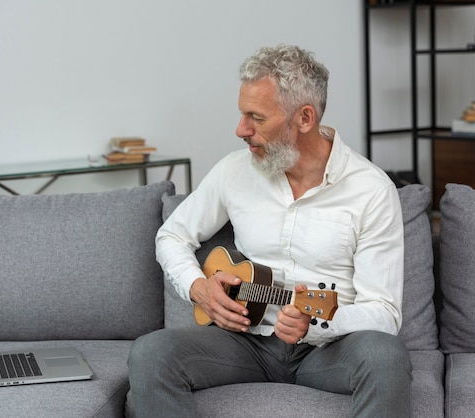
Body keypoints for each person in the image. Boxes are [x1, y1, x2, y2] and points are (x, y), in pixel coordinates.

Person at [128, 44, 412, 417]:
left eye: (256, 117)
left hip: (330, 350)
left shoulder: (371, 190)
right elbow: (172, 236)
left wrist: (317, 324)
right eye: (242, 114)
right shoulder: (234, 171)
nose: (240, 130)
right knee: (151, 352)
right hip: (246, 344)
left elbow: (384, 312)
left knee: (386, 358)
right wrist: (199, 288)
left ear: (304, 118)